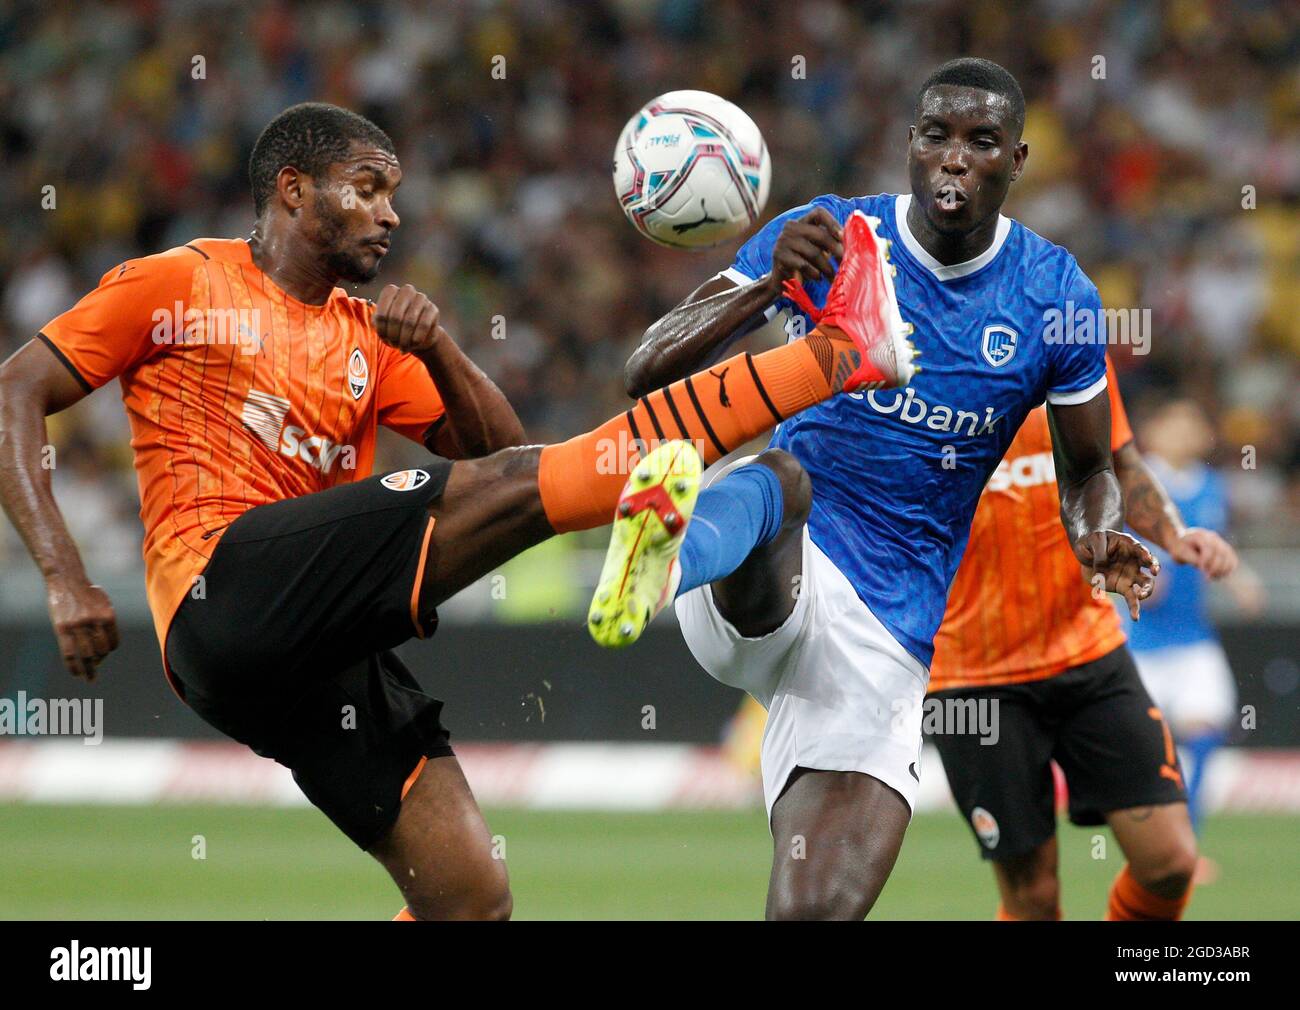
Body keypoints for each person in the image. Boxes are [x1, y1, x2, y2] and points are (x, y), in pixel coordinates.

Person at [0, 102, 907, 920]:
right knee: (538, 487)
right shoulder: (175, 284)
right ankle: (834, 358)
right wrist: (63, 572)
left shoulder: (369, 335)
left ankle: (707, 468)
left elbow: (495, 450)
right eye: (367, 189)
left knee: (471, 898)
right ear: (292, 190)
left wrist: (435, 346)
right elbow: (16, 389)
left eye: (393, 193)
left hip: (312, 646)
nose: (391, 213)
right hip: (218, 588)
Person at [608, 58, 1158, 919]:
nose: (953, 158)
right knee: (784, 476)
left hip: (885, 639)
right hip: (769, 567)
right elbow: (646, 368)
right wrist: (764, 280)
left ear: (1016, 161)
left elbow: (1088, 470)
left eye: (980, 142)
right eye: (936, 136)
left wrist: (1097, 534)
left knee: (815, 912)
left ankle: (687, 546)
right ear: (909, 146)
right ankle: (667, 557)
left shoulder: (1057, 296)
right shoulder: (828, 236)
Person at [927, 360, 1237, 921]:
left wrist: (1172, 533)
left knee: (1170, 861)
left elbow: (1117, 459)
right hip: (974, 675)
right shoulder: (913, 356)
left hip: (1086, 647)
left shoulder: (1068, 336)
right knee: (1033, 898)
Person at [1122, 400, 1264, 844]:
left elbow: (1217, 546)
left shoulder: (1213, 487)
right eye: (1176, 423)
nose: (1186, 433)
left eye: (1194, 424)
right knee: (1145, 743)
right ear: (1154, 431)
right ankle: (1145, 832)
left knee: (1205, 729)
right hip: (1140, 638)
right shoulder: (1137, 480)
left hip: (1192, 636)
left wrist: (1239, 579)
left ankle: (1188, 834)